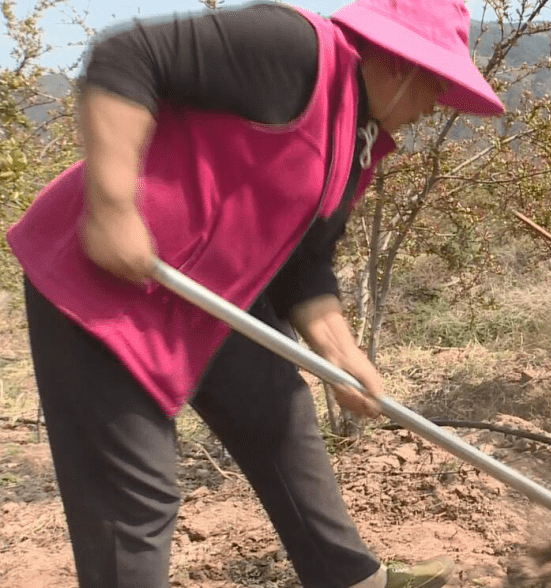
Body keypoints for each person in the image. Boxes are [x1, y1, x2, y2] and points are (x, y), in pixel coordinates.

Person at [5, 1, 504, 587]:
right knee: (136, 497)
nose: (435, 103)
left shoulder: (357, 143)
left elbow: (305, 266)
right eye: (437, 83)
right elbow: (125, 55)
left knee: (279, 417)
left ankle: (351, 580)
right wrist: (113, 204)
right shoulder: (293, 48)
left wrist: (341, 358)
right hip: (101, 284)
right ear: (399, 63)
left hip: (207, 294)